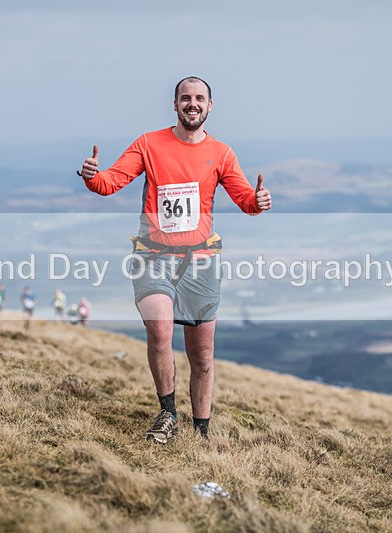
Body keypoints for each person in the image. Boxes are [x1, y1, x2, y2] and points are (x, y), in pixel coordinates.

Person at [78, 76, 271, 442]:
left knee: (202, 357)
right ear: (175, 104)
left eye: (200, 98)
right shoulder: (149, 144)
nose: (192, 104)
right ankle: (168, 413)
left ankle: (201, 432)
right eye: (186, 98)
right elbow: (110, 183)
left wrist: (258, 201)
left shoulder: (222, 153)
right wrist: (91, 177)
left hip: (201, 262)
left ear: (210, 105)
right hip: (153, 257)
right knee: (161, 331)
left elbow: (245, 199)